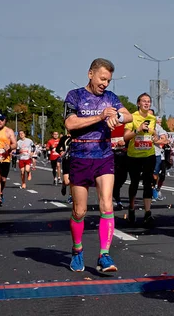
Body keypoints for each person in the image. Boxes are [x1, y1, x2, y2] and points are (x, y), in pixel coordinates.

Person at [64, 58, 132, 273]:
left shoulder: (110, 98)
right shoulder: (74, 95)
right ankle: (77, 250)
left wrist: (117, 116)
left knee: (107, 205)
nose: (105, 84)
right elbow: (70, 123)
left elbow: (128, 116)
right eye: (102, 78)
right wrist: (101, 116)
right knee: (79, 210)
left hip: (104, 155)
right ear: (90, 74)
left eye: (108, 80)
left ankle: (104, 255)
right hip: (80, 155)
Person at [123, 93, 158, 227]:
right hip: (134, 156)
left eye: (149, 101)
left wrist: (154, 136)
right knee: (135, 183)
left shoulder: (152, 118)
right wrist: (137, 130)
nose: (146, 103)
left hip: (149, 154)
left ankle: (147, 213)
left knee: (148, 182)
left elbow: (153, 133)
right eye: (144, 101)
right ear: (138, 103)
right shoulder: (132, 117)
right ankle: (131, 208)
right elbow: (125, 137)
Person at [149, 110, 168, 201]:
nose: (159, 123)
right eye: (158, 122)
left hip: (158, 154)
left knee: (159, 175)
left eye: (160, 122)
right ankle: (151, 193)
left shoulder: (158, 128)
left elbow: (165, 140)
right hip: (142, 153)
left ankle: (156, 191)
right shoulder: (139, 124)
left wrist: (155, 141)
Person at [110, 123, 128, 211]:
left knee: (122, 178)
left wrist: (125, 142)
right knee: (111, 178)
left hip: (124, 155)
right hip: (110, 155)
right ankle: (116, 200)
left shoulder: (126, 125)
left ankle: (115, 193)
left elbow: (131, 137)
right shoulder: (108, 125)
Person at [56, 132, 72, 203]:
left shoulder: (78, 137)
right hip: (66, 160)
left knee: (73, 180)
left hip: (76, 160)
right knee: (67, 181)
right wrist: (61, 151)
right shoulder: (64, 138)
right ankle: (64, 185)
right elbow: (58, 148)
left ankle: (71, 196)